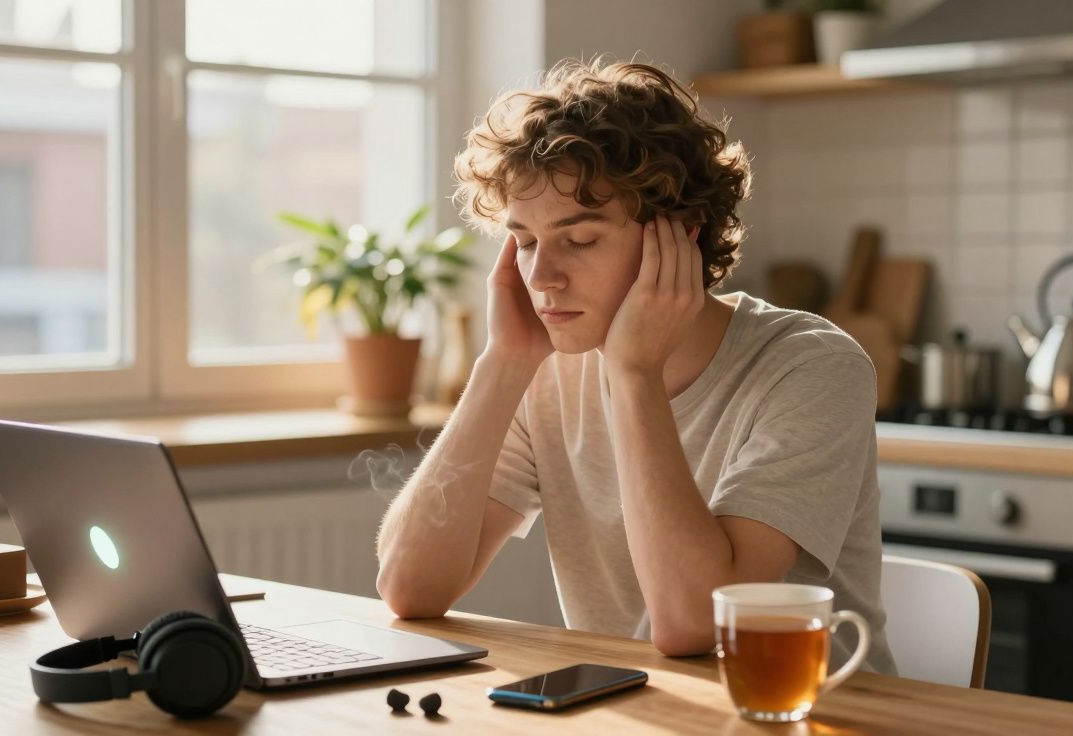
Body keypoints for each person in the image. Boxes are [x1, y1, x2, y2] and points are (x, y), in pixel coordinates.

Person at [374, 58, 895, 672]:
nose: (541, 277)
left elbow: (693, 624)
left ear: (680, 236)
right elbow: (410, 589)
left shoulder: (811, 367)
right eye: (527, 241)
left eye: (581, 239)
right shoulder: (547, 369)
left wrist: (634, 375)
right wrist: (502, 362)